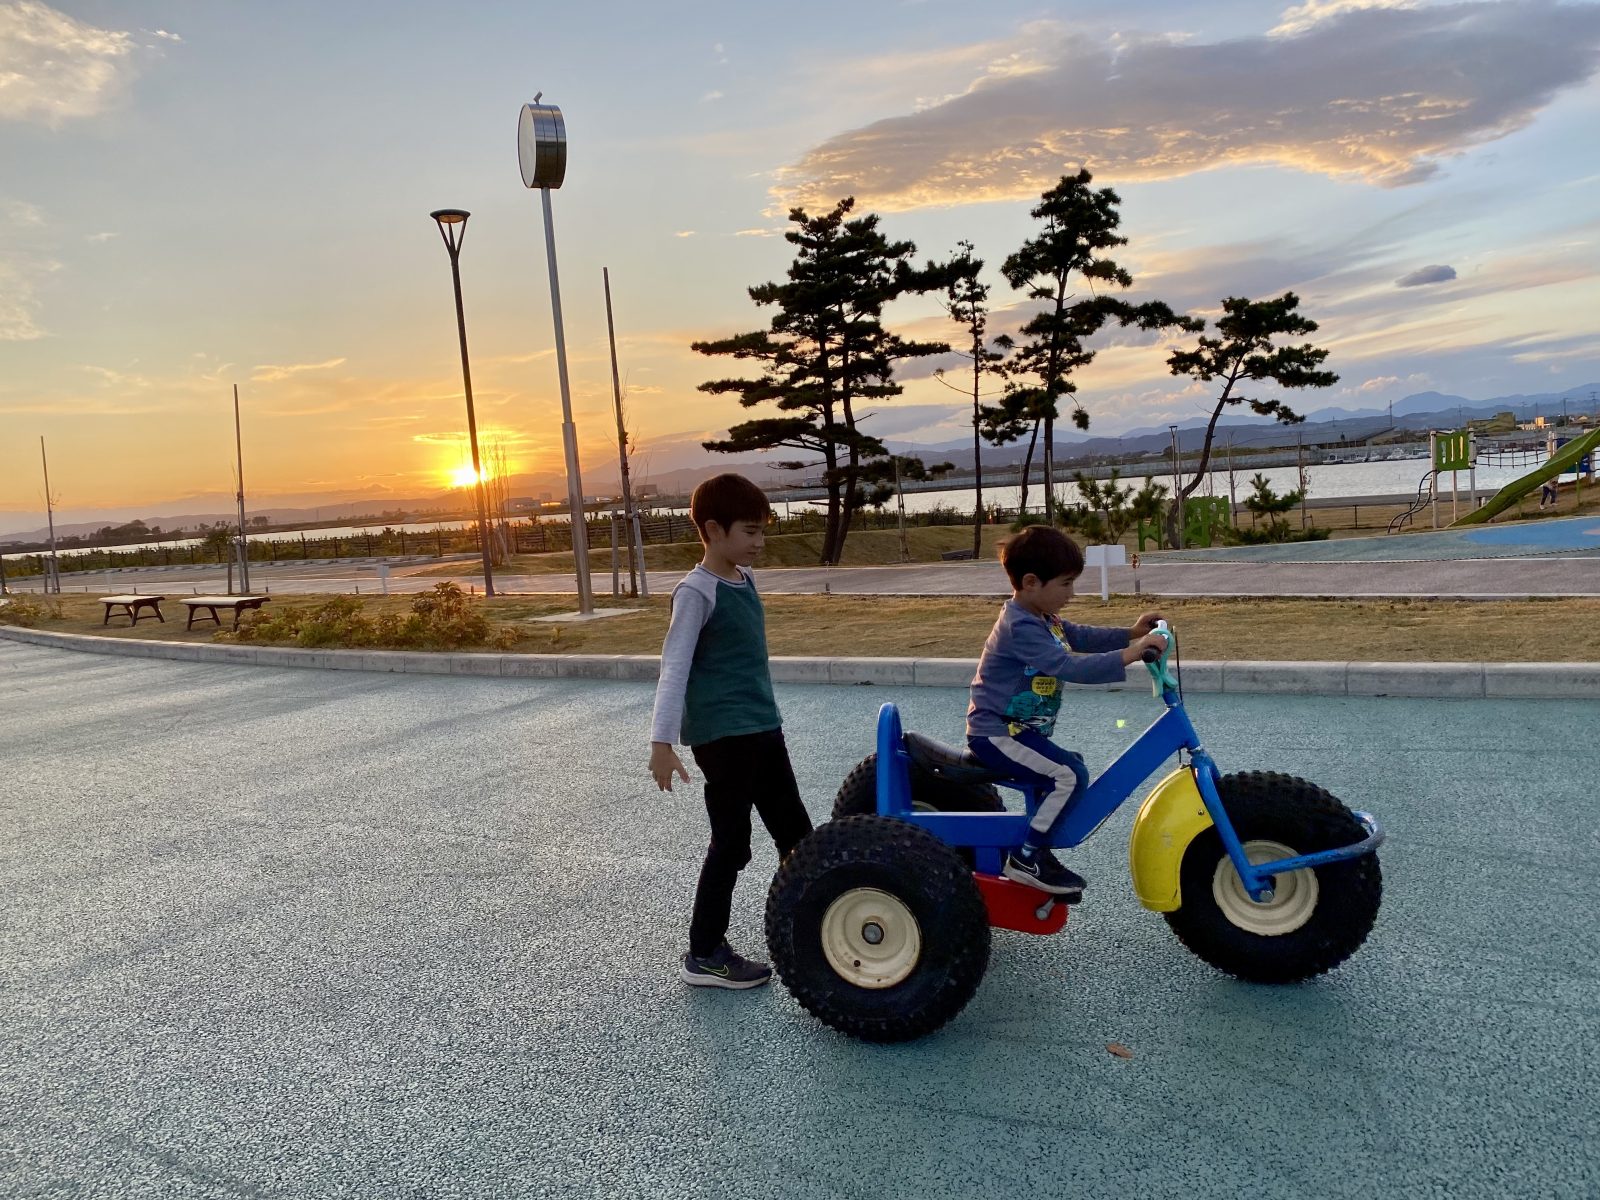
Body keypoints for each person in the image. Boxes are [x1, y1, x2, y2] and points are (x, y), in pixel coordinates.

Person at [649, 473, 813, 989]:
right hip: (722, 738)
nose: (759, 542)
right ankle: (704, 953)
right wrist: (661, 743)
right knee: (732, 842)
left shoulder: (744, 578)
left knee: (796, 834)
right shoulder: (695, 591)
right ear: (714, 530)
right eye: (750, 532)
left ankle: (815, 922)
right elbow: (674, 668)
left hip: (763, 726)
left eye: (763, 531)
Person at [965, 526, 1166, 899]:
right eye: (1066, 584)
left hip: (1017, 730)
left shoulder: (1042, 616)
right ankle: (1027, 857)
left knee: (1069, 765)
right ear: (1031, 582)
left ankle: (1038, 840)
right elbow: (1069, 666)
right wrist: (1133, 652)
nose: (1072, 593)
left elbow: (1081, 636)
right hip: (996, 732)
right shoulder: (1019, 626)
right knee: (1069, 775)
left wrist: (1130, 633)